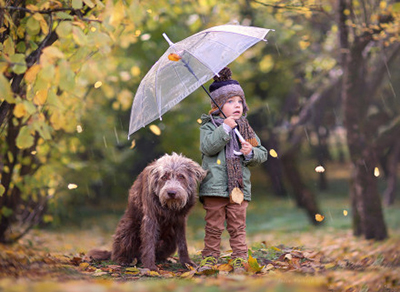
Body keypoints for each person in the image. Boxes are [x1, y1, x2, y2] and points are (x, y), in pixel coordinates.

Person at [198, 67, 269, 273]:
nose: (237, 105)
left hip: (238, 187)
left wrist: (250, 152)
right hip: (214, 187)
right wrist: (225, 129)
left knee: (238, 226)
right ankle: (210, 258)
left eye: (239, 101)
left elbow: (262, 153)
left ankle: (239, 258)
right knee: (213, 226)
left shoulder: (245, 128)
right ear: (217, 106)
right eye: (230, 102)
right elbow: (208, 147)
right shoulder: (209, 126)